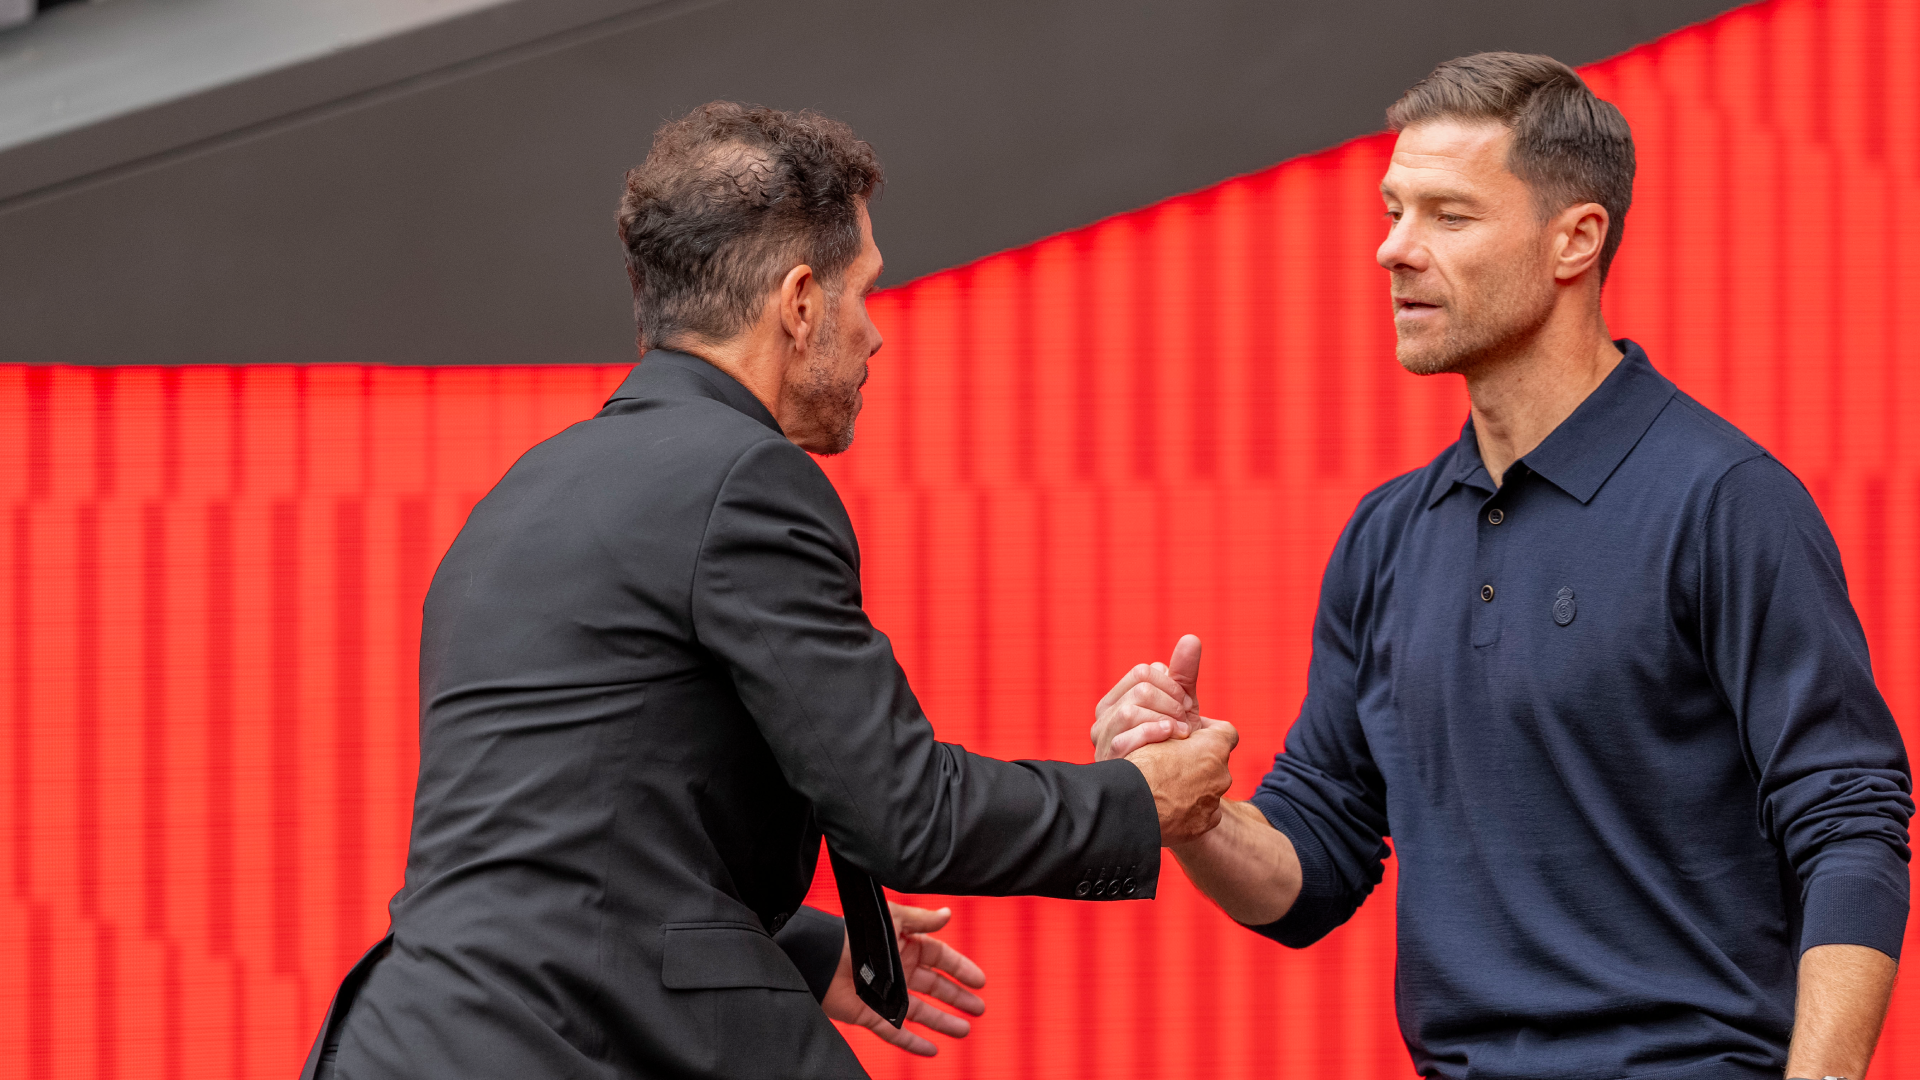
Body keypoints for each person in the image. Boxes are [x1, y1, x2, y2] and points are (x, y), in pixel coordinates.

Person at [300, 102, 1237, 1079]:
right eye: (864, 291)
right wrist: (1141, 800)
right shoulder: (744, 479)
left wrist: (807, 949)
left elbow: (576, 832)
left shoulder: (524, 492)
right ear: (798, 302)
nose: (874, 335)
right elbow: (905, 814)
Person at [1096, 53, 1911, 1080]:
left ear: (1575, 241)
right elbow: (1317, 870)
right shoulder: (1387, 535)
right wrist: (1188, 808)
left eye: (1449, 215)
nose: (1393, 249)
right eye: (1393, 210)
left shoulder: (1726, 501)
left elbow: (1848, 821)